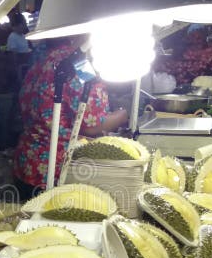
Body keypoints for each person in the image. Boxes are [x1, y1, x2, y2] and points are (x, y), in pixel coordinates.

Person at [13, 37, 130, 196]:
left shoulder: (42, 57)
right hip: (56, 173)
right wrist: (123, 114)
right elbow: (92, 124)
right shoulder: (78, 64)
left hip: (26, 164)